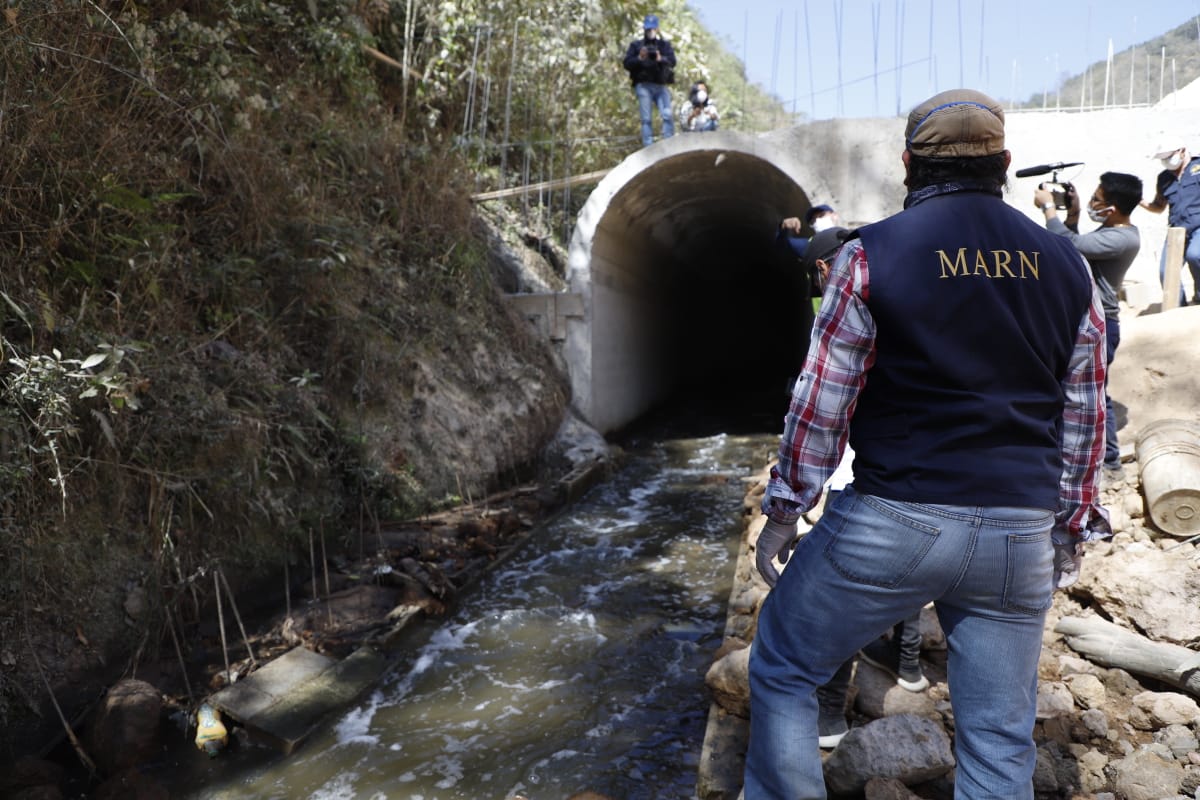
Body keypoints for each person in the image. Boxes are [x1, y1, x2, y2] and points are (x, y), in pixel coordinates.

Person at [746, 89, 1109, 799]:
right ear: (1004, 164)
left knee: (786, 664)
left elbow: (822, 402)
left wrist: (787, 508)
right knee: (1000, 738)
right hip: (1017, 534)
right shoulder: (1071, 269)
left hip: (897, 519)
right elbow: (1084, 419)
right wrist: (1068, 531)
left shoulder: (870, 255)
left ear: (908, 164)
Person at [1035, 173, 1142, 483]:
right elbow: (1076, 252)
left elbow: (1068, 245)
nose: (1094, 202)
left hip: (1103, 324)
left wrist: (1048, 211)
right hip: (1086, 319)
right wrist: (1074, 214)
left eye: (1098, 199)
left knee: (1096, 396)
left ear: (1113, 207)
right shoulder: (1110, 230)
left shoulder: (1124, 237)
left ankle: (1110, 464)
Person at [1141, 146, 1200, 306]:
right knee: (1165, 272)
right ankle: (1178, 309)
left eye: (1169, 157)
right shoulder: (1164, 178)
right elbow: (1158, 207)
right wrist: (1139, 201)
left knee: (1196, 255)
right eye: (1163, 159)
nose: (1166, 162)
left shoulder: (1198, 167)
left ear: (1182, 151)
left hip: (1199, 226)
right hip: (1177, 229)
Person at [622, 14, 676, 147]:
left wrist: (660, 59)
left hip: (660, 85)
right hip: (643, 86)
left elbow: (673, 61)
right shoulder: (636, 45)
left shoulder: (664, 45)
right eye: (647, 29)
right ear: (644, 29)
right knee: (646, 119)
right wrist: (639, 58)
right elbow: (627, 63)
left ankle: (669, 142)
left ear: (657, 29)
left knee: (667, 114)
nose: (650, 32)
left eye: (652, 29)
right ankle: (648, 146)